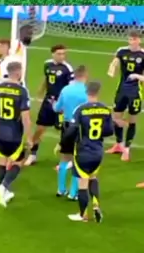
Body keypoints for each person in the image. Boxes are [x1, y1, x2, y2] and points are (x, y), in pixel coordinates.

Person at [64, 81, 114, 223]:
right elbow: (109, 131)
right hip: (98, 151)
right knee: (93, 177)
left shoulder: (81, 109)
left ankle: (83, 214)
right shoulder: (105, 109)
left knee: (82, 182)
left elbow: (72, 130)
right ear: (98, 92)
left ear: (86, 92)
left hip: (83, 150)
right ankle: (96, 205)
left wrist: (64, 143)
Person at [0, 62, 33, 208]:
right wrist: (29, 138)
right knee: (19, 162)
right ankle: (3, 187)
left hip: (0, 132)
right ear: (18, 73)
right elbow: (26, 118)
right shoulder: (22, 91)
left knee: (2, 160)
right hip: (14, 134)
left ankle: (3, 194)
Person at [24, 45, 74, 166]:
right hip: (48, 102)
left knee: (64, 131)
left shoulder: (67, 68)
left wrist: (66, 104)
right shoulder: (47, 64)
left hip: (61, 103)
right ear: (53, 54)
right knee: (40, 128)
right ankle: (33, 154)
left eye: (63, 54)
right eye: (59, 54)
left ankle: (66, 159)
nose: (62, 56)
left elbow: (71, 87)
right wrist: (39, 93)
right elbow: (46, 79)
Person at [107, 31, 144, 161]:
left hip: (135, 92)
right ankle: (118, 144)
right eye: (130, 39)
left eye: (134, 39)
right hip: (121, 90)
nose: (132, 41)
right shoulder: (122, 51)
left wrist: (137, 76)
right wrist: (112, 69)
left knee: (132, 119)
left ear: (139, 40)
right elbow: (115, 62)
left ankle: (127, 149)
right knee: (116, 116)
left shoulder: (143, 54)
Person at [53, 66, 89, 199]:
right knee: (77, 160)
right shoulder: (86, 91)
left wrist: (53, 104)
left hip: (66, 126)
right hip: (80, 128)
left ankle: (61, 189)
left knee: (64, 158)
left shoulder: (66, 89)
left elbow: (57, 108)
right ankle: (73, 193)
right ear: (85, 75)